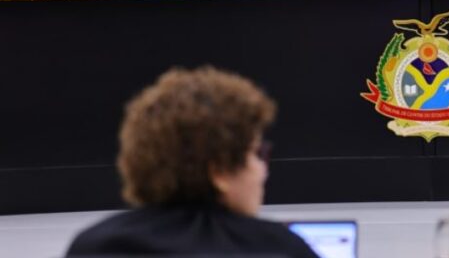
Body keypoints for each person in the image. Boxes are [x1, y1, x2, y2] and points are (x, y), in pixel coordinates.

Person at [65, 66, 319, 258]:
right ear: (219, 171)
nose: (263, 170)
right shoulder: (278, 248)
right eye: (257, 154)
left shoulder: (95, 247)